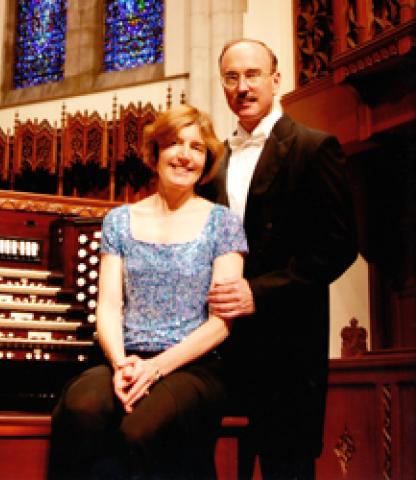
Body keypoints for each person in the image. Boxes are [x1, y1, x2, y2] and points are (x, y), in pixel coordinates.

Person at [47, 104, 248, 480]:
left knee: (141, 428)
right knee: (81, 408)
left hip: (192, 365)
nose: (185, 155)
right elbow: (109, 307)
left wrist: (155, 368)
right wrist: (122, 364)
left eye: (196, 147)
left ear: (206, 161)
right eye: (174, 144)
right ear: (155, 153)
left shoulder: (223, 222)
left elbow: (221, 323)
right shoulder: (120, 220)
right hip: (127, 358)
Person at [200, 39, 358, 480]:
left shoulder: (314, 147)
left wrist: (259, 292)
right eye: (231, 77)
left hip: (287, 349)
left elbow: (339, 245)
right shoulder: (213, 161)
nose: (242, 87)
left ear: (275, 79)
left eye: (252, 75)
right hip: (221, 348)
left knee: (286, 468)